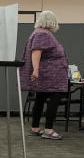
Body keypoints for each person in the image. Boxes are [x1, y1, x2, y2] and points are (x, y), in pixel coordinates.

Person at [20, 10, 69, 140]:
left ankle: (35, 128)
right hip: (50, 77)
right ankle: (48, 129)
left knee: (40, 99)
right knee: (54, 98)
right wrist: (35, 70)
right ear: (51, 21)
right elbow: (36, 52)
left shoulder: (40, 33)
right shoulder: (43, 34)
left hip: (48, 76)